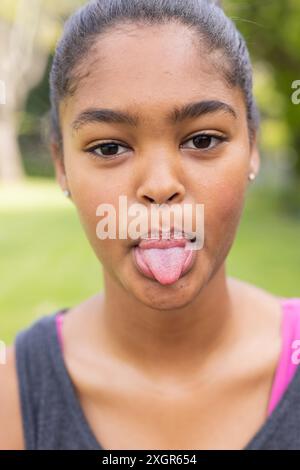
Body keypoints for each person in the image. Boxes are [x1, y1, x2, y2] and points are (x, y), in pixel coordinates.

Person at [1, 0, 300, 450]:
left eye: (203, 140)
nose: (160, 187)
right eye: (108, 148)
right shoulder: (16, 397)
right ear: (62, 164)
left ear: (252, 147)